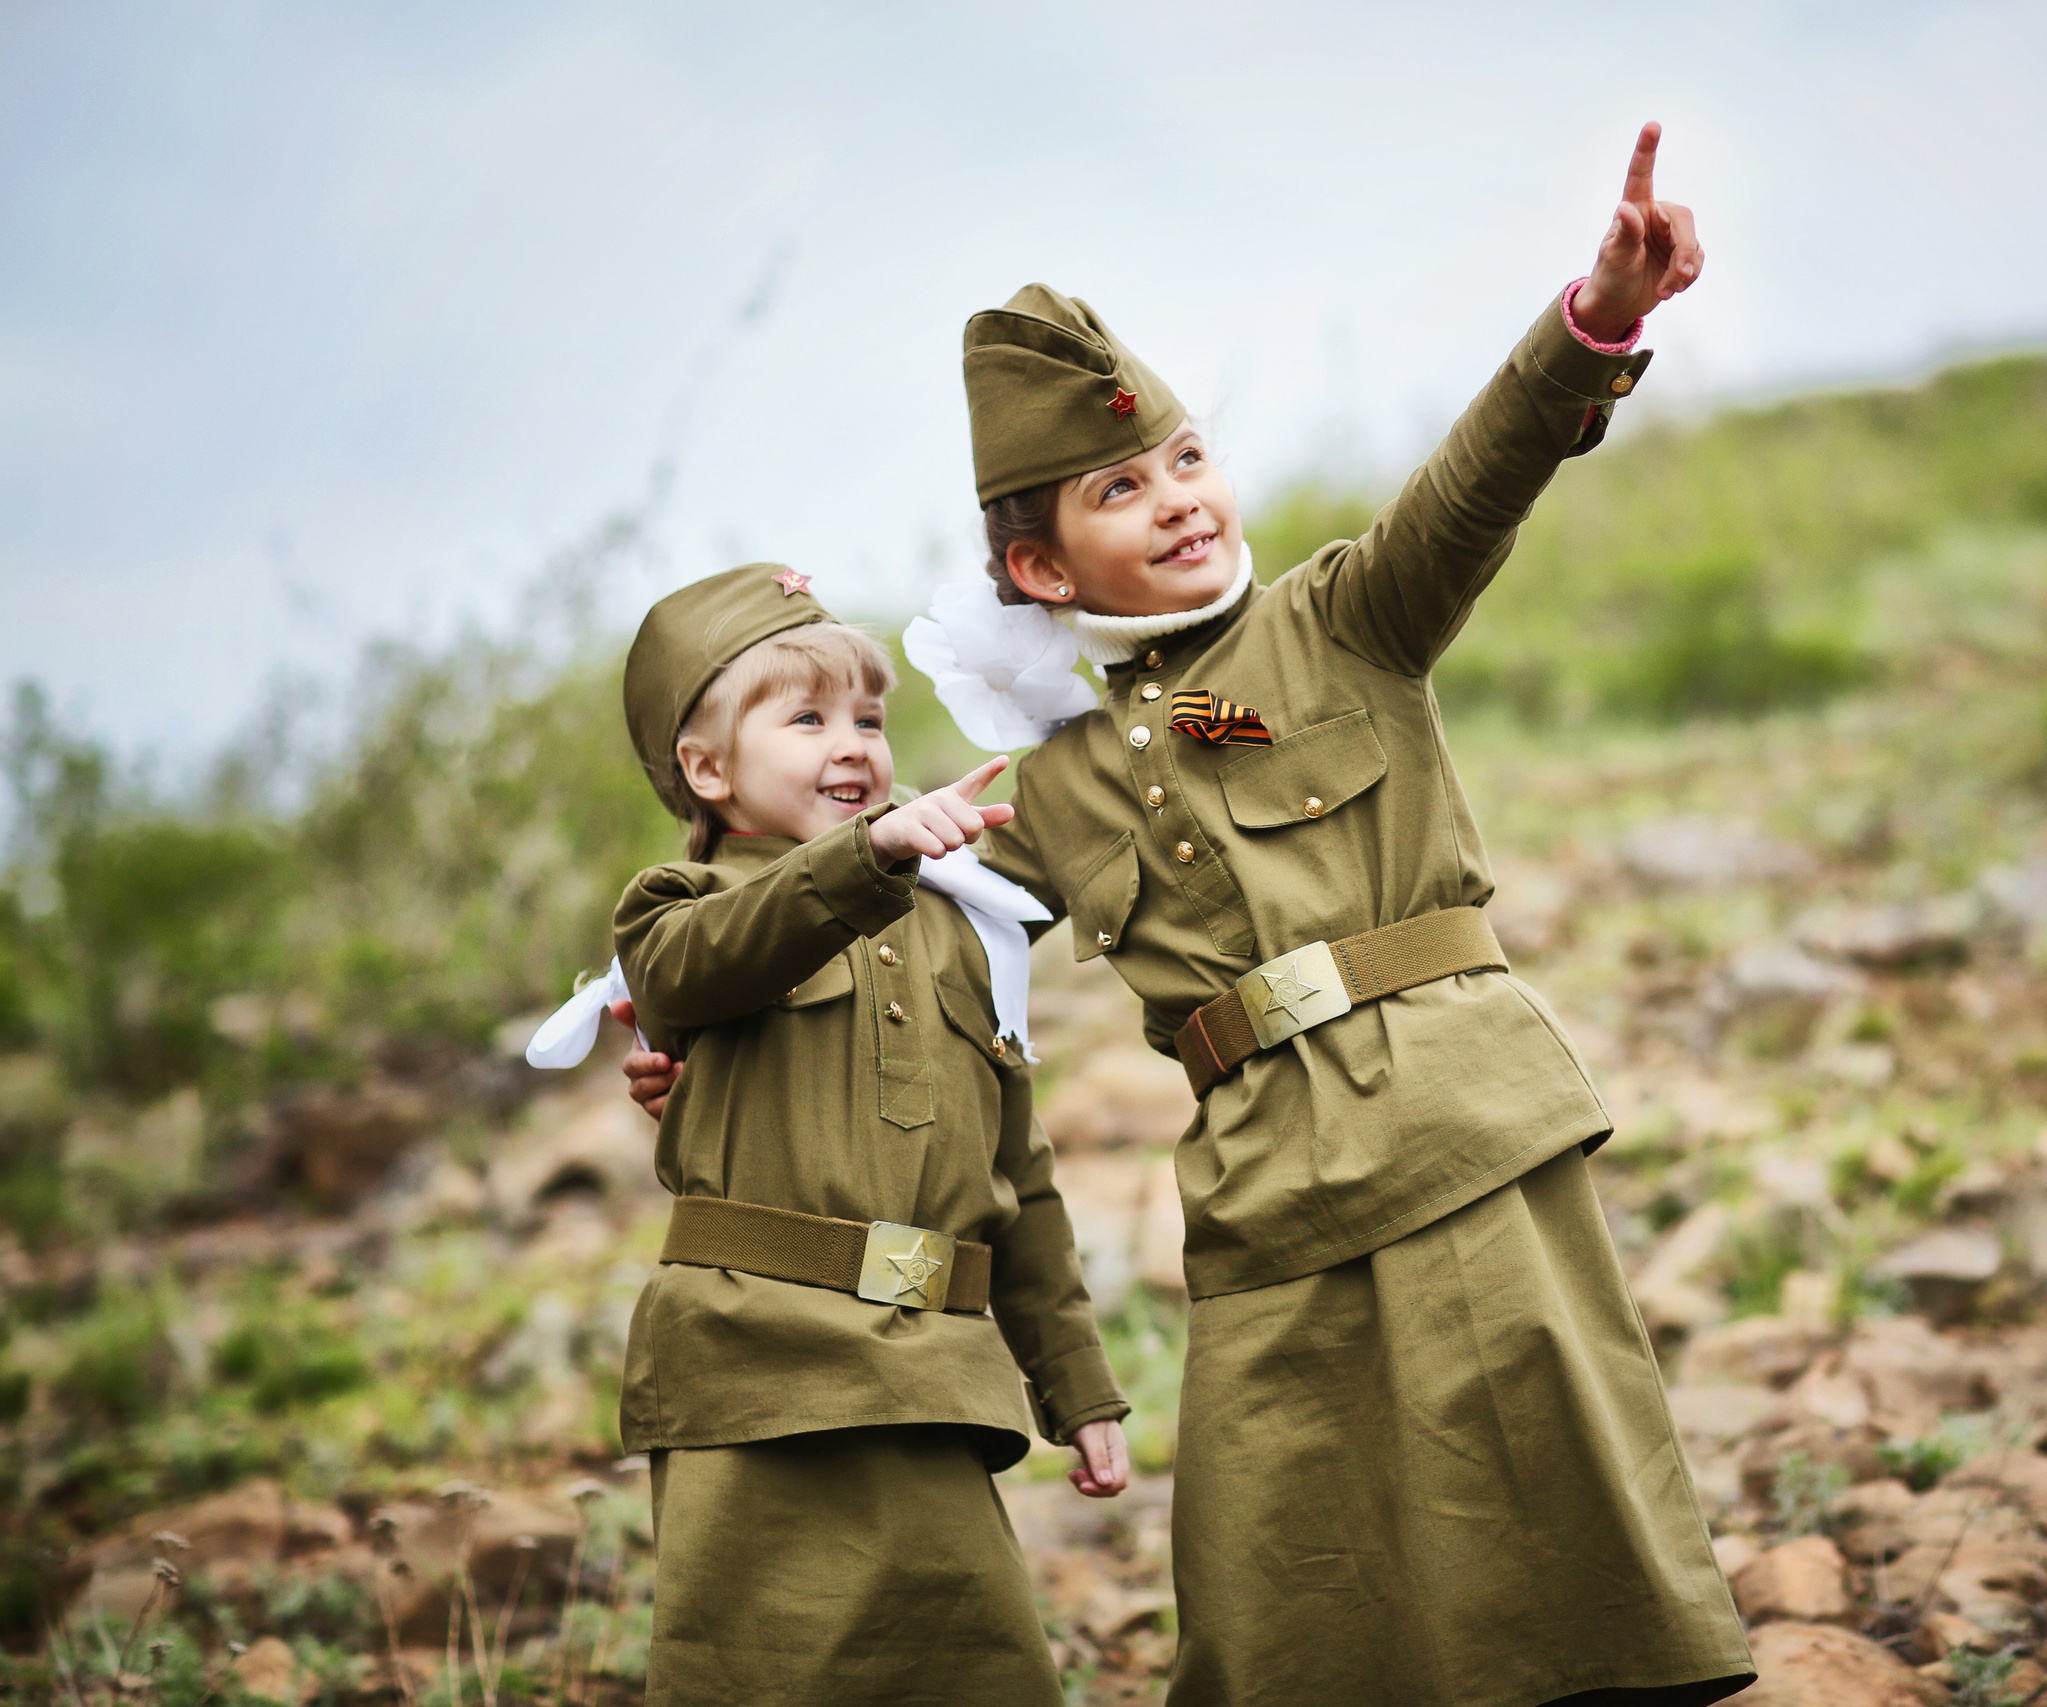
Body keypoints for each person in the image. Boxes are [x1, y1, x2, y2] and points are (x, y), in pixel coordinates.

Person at [628, 126, 1753, 1706]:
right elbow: (890, 946)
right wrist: (689, 1045)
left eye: (1187, 458)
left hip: (1459, 1126)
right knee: (1284, 1581)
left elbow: (1478, 479)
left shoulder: (1345, 621)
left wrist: (1596, 323)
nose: (1175, 501)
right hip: (1264, 1195)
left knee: (1552, 1516)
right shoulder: (1055, 784)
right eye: (1117, 486)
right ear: (1038, 561)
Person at [604, 562, 1129, 1707]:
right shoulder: (674, 908)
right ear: (706, 768)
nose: (854, 745)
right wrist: (872, 857)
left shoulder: (961, 929)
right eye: (806, 719)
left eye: (871, 719)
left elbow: (1019, 1177)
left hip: (934, 1379)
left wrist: (1075, 1388)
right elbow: (701, 964)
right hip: (757, 1380)